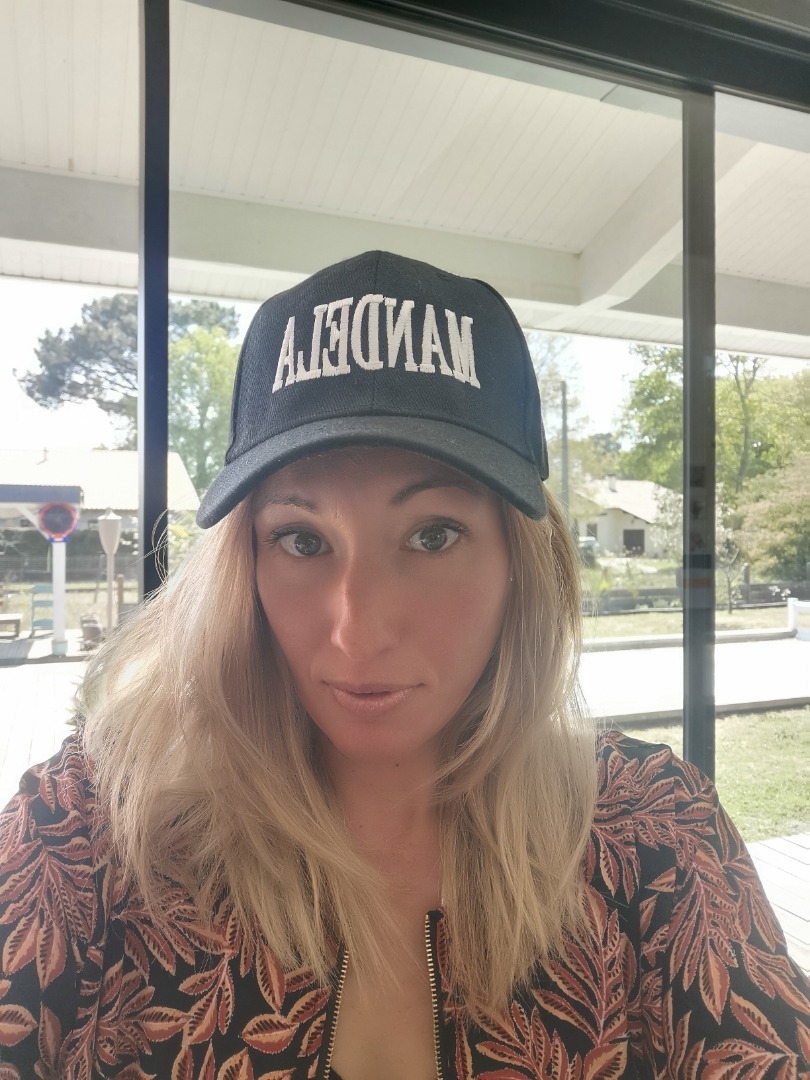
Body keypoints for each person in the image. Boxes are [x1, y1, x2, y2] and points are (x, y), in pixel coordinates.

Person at [0, 250, 808, 1080]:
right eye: (302, 539)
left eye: (432, 535)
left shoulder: (652, 832)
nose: (359, 633)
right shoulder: (90, 830)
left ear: (520, 561)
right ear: (244, 563)